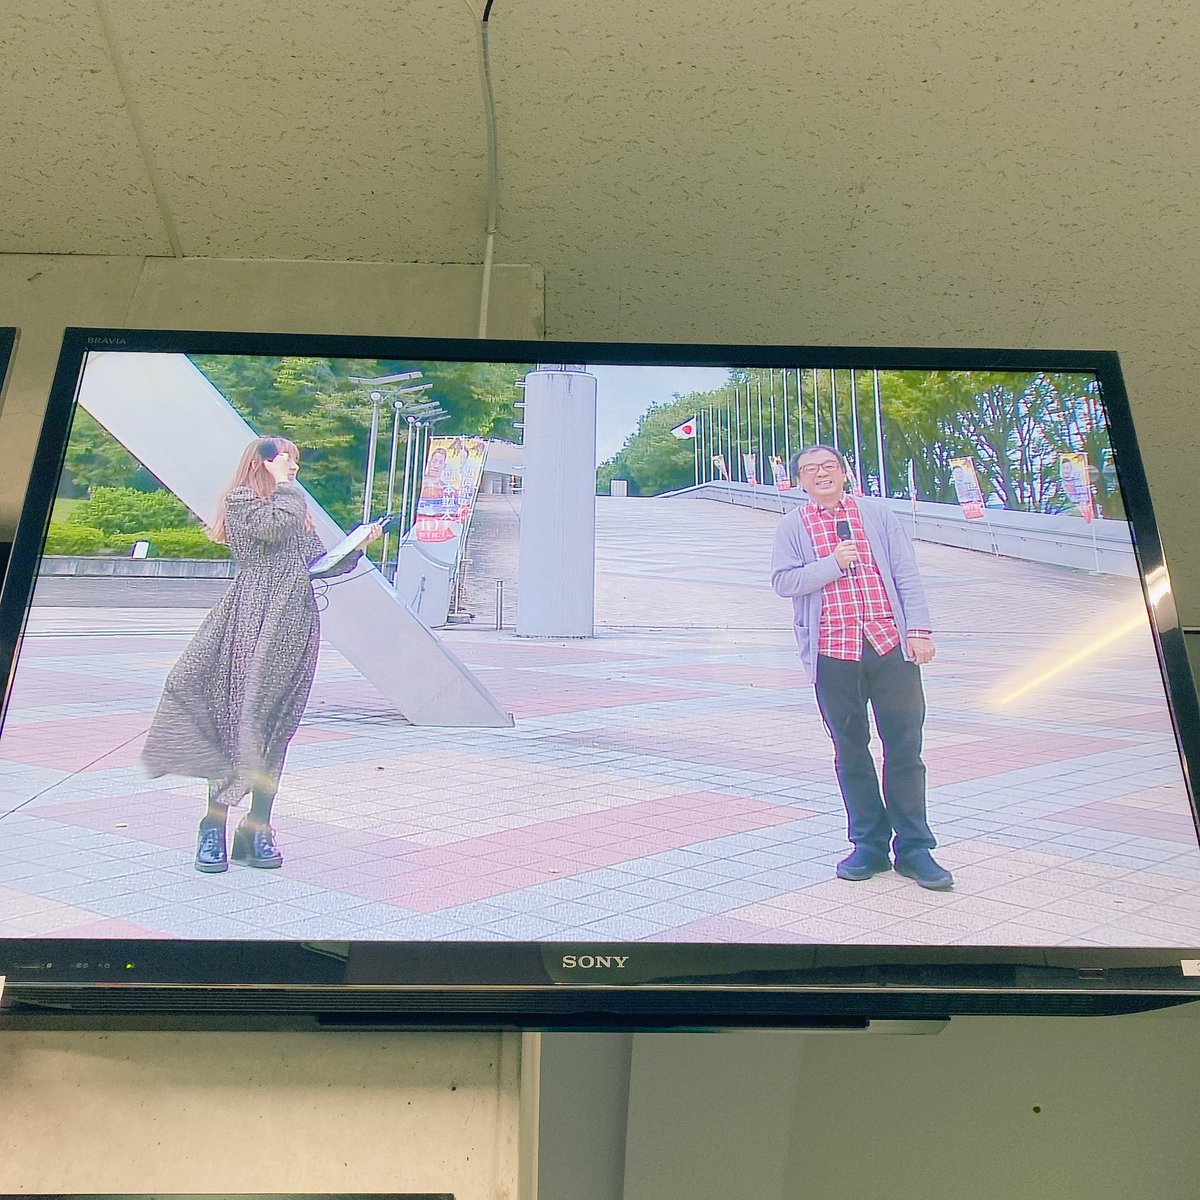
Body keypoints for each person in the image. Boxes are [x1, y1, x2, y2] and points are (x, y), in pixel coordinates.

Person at [142, 436, 382, 874]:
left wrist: (357, 546)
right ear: (263, 462)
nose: (295, 467)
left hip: (296, 623)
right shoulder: (243, 501)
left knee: (276, 727)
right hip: (254, 618)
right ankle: (213, 826)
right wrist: (286, 488)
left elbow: (317, 563)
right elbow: (271, 529)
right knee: (240, 722)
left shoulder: (293, 507)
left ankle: (257, 827)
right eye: (289, 459)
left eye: (295, 461)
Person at [770, 444, 954, 890]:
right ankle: (869, 845)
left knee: (905, 746)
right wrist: (832, 564)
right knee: (850, 749)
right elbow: (784, 581)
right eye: (810, 469)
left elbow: (906, 574)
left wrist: (919, 631)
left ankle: (915, 848)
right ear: (799, 480)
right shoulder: (793, 526)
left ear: (844, 471)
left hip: (889, 646)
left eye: (829, 466)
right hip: (833, 651)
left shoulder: (877, 515)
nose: (821, 474)